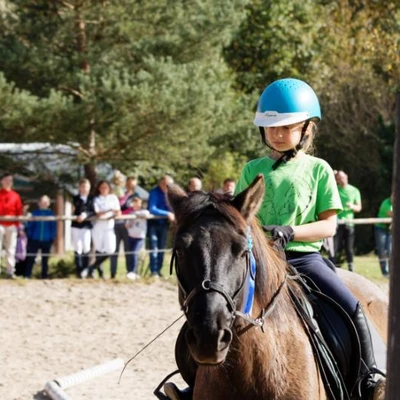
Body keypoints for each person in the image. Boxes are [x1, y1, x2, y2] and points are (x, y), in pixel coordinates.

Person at [164, 78, 384, 399]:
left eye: (286, 127)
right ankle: (195, 383)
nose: (278, 134)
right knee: (211, 306)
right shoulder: (252, 169)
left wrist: (291, 231)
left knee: (351, 307)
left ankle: (368, 378)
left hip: (304, 259)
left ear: (306, 129)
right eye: (271, 127)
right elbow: (237, 220)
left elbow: (329, 226)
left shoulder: (318, 169)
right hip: (257, 261)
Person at [82, 180, 120, 279]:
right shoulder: (96, 199)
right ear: (99, 188)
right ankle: (100, 272)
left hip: (109, 226)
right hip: (98, 226)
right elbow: (98, 212)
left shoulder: (113, 198)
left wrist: (112, 212)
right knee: (99, 249)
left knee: (111, 249)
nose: (104, 189)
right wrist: (110, 210)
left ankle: (91, 267)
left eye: (106, 187)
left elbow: (118, 211)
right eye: (102, 187)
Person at [332, 170, 362, 271]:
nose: (342, 180)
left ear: (347, 177)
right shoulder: (335, 189)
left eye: (343, 177)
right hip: (337, 223)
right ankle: (332, 266)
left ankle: (351, 267)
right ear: (337, 180)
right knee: (334, 247)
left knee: (349, 248)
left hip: (349, 223)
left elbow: (359, 208)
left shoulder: (354, 190)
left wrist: (352, 206)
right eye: (339, 178)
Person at [110, 176, 139, 279]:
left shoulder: (136, 196)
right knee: (114, 249)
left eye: (133, 184)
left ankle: (130, 272)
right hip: (116, 224)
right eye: (129, 183)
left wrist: (121, 212)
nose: (131, 186)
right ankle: (112, 273)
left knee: (128, 250)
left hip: (128, 226)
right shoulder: (119, 194)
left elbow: (133, 208)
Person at [147, 175, 175, 277]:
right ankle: (154, 271)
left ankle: (158, 270)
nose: (168, 186)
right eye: (166, 183)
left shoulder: (170, 194)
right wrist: (167, 214)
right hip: (154, 224)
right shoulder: (154, 192)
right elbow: (152, 208)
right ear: (161, 183)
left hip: (164, 225)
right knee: (154, 247)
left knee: (162, 248)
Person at [25, 195, 57, 279]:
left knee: (45, 259)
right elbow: (30, 225)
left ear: (49, 203)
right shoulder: (35, 213)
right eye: (42, 202)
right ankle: (27, 275)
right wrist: (30, 235)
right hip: (35, 238)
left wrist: (52, 237)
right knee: (31, 257)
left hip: (47, 239)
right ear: (39, 203)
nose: (44, 204)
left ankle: (44, 276)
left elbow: (53, 227)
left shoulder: (51, 214)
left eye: (46, 202)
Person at [0, 172, 23, 279]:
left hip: (12, 225)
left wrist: (18, 225)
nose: (8, 182)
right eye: (6, 180)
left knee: (11, 248)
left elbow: (19, 211)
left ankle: (10, 271)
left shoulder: (16, 196)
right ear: (2, 181)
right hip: (0, 224)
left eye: (10, 180)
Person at [71, 178, 95, 278]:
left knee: (86, 247)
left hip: (86, 226)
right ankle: (79, 270)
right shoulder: (75, 198)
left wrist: (85, 215)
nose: (84, 189)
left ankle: (86, 269)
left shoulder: (91, 199)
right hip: (76, 225)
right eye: (82, 186)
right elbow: (74, 210)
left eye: (86, 187)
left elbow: (93, 211)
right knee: (78, 247)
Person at [125, 197, 150, 280]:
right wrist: (129, 224)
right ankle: (130, 271)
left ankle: (134, 271)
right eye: (134, 202)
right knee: (130, 254)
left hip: (139, 237)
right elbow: (127, 224)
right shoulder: (131, 213)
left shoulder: (144, 211)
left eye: (138, 202)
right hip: (131, 236)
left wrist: (135, 215)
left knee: (134, 253)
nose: (136, 204)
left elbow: (146, 214)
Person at [374, 195, 393, 277]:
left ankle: (392, 272)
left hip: (390, 229)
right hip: (380, 228)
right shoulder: (385, 203)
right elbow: (393, 214)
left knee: (391, 251)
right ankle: (385, 273)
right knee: (382, 251)